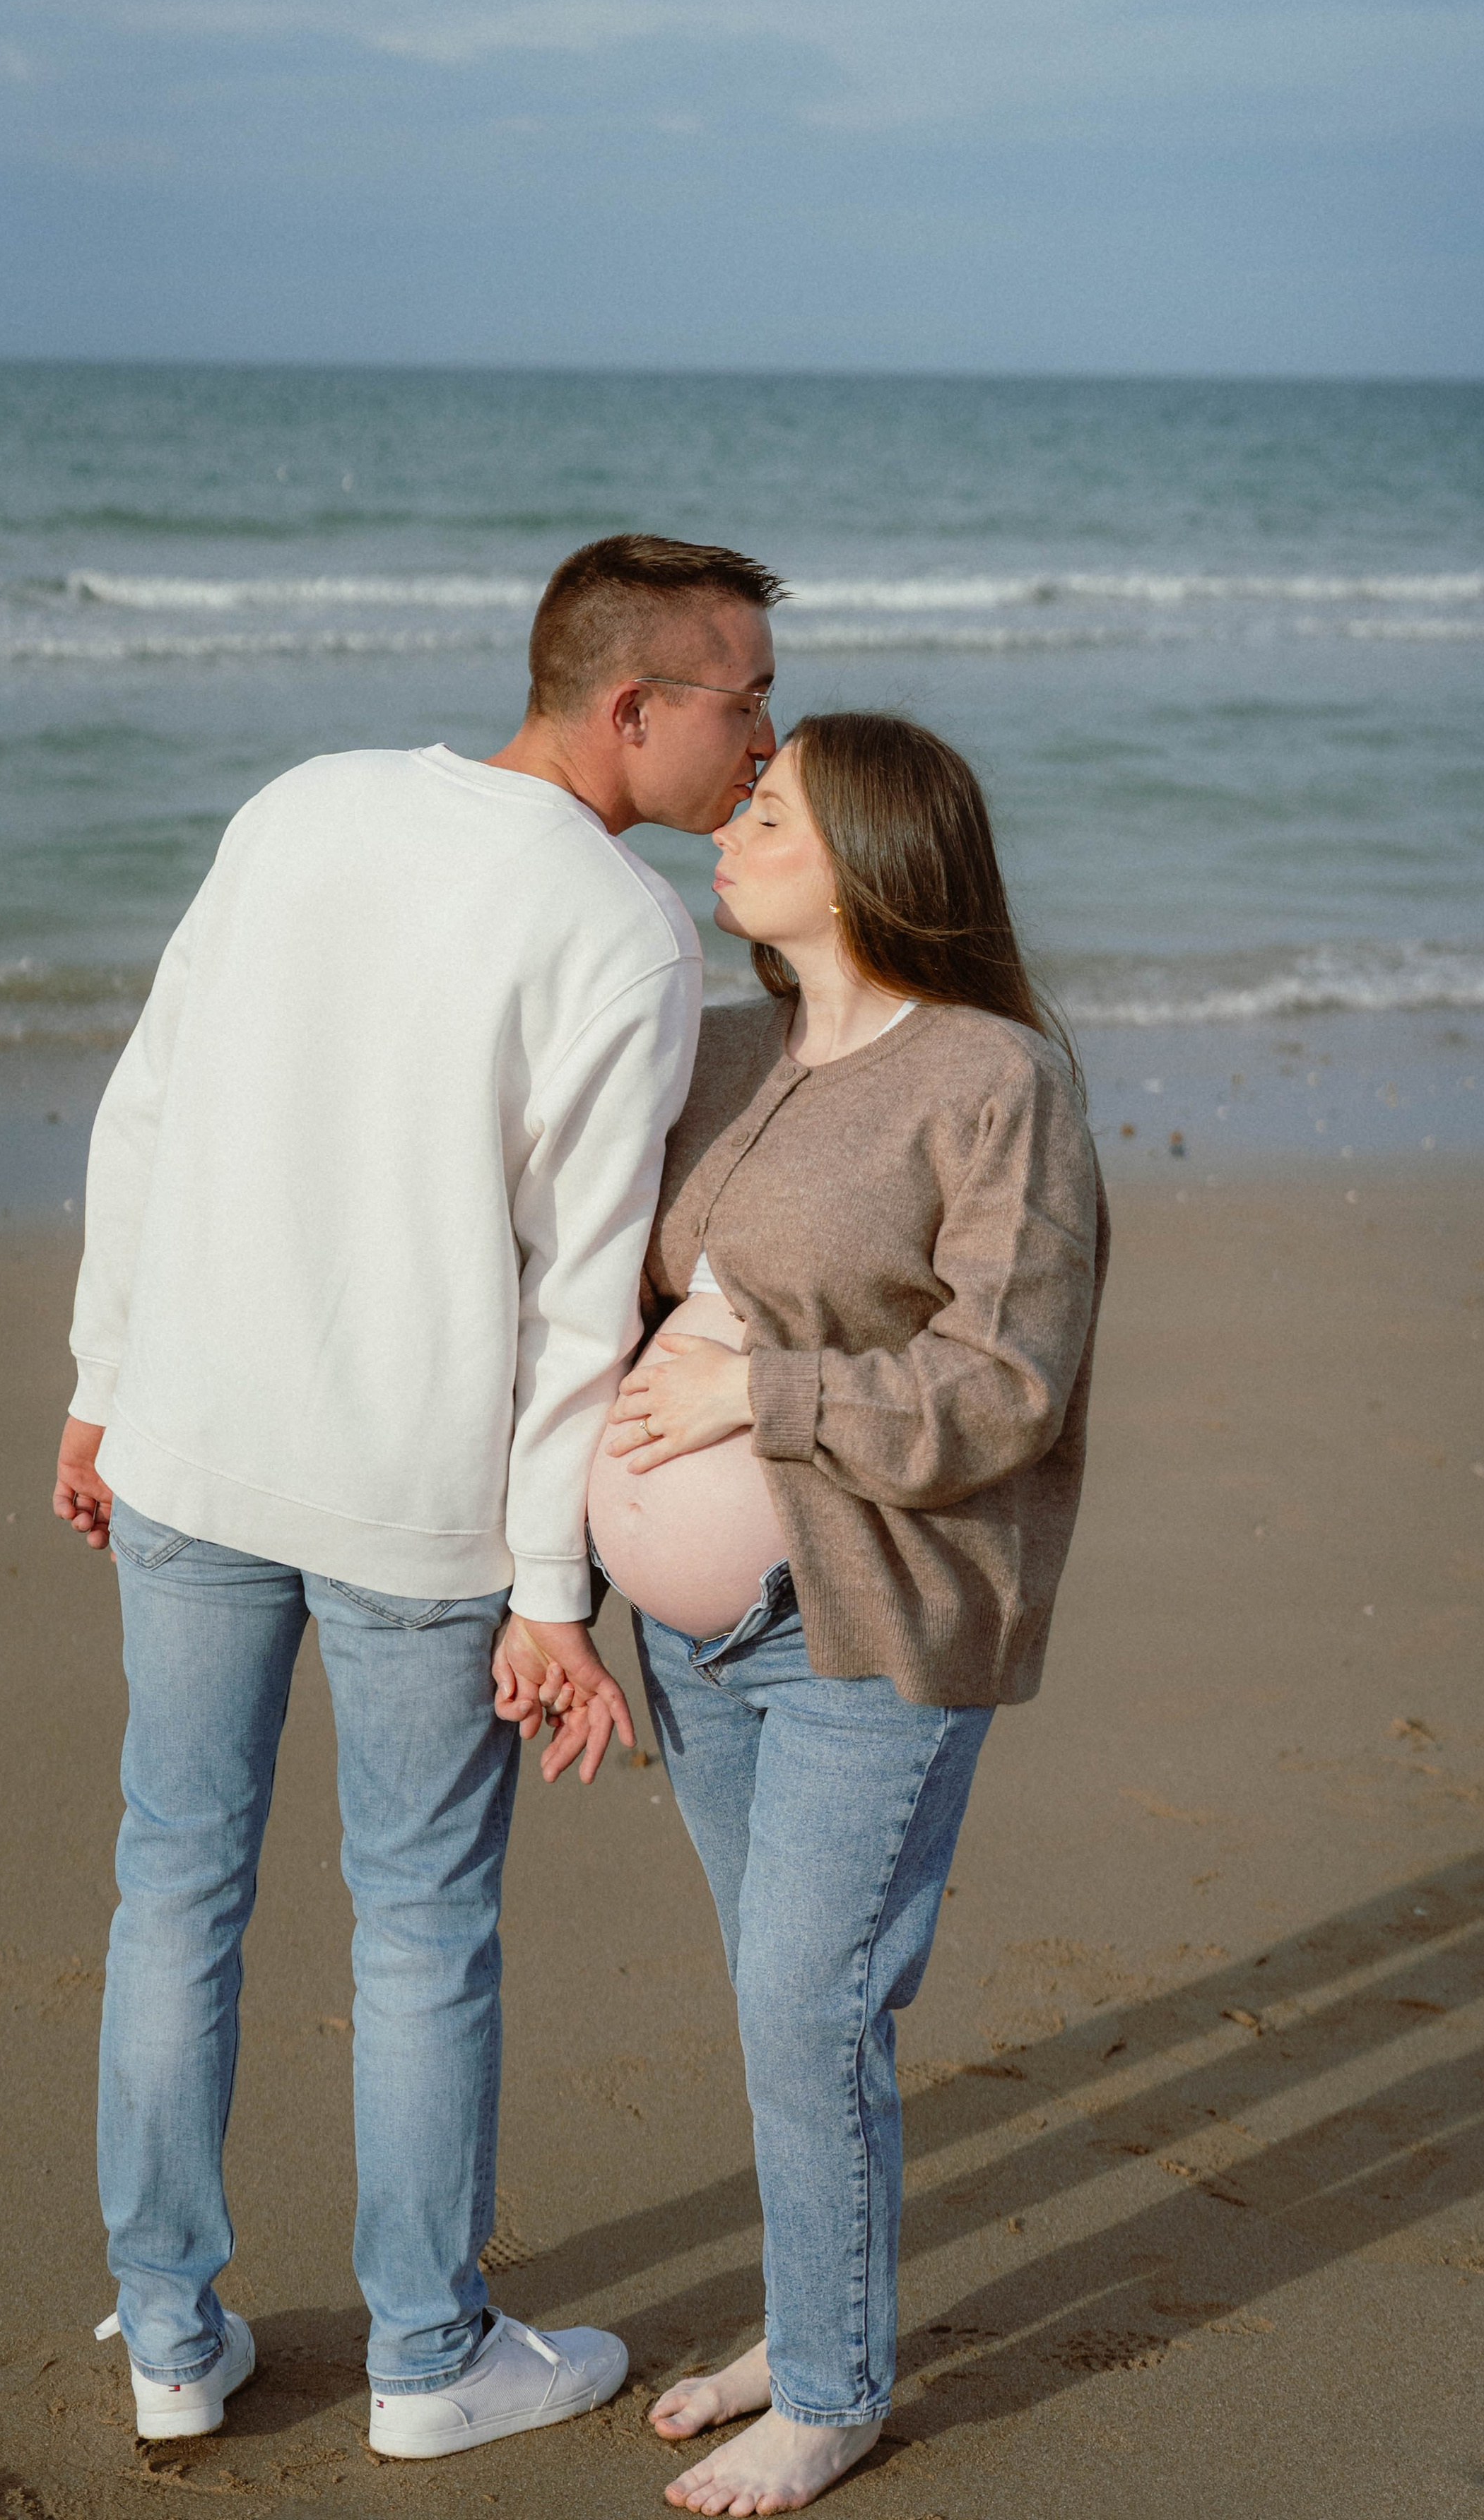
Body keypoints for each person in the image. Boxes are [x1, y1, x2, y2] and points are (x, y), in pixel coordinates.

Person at [52, 533, 782, 2448]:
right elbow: (576, 1295)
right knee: (420, 1925)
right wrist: (555, 1590)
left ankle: (168, 2342)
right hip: (421, 1509)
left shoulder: (305, 804)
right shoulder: (629, 932)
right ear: (634, 705)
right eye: (747, 697)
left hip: (196, 1444)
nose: (767, 740)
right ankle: (427, 2361)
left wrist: (102, 1382)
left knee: (174, 1884)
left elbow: (148, 1099)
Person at [511, 711, 1107, 2514]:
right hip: (691, 1644)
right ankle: (811, 2316)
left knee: (804, 2001)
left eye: (772, 810)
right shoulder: (712, 1048)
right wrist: (562, 1580)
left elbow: (1008, 1382)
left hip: (868, 1624)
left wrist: (756, 1399)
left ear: (872, 854)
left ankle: (834, 2390)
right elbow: (592, 1296)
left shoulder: (990, 1078)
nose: (733, 824)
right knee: (800, 2004)